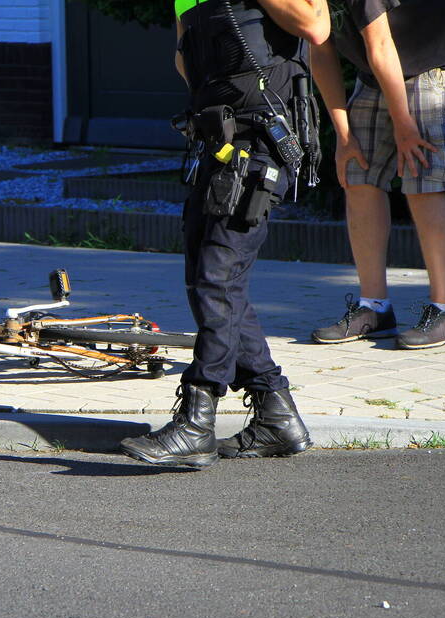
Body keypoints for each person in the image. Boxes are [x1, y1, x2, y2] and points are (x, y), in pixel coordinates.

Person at [120, 0, 330, 469]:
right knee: (208, 278)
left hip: (263, 143)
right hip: (217, 142)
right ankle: (277, 415)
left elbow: (316, 24)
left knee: (217, 277)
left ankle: (197, 421)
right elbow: (184, 57)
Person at [309, 0, 445, 349]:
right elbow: (318, 48)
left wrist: (404, 125)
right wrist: (343, 135)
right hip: (377, 71)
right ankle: (374, 308)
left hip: (436, 60)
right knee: (357, 172)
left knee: (423, 175)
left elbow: (380, 44)